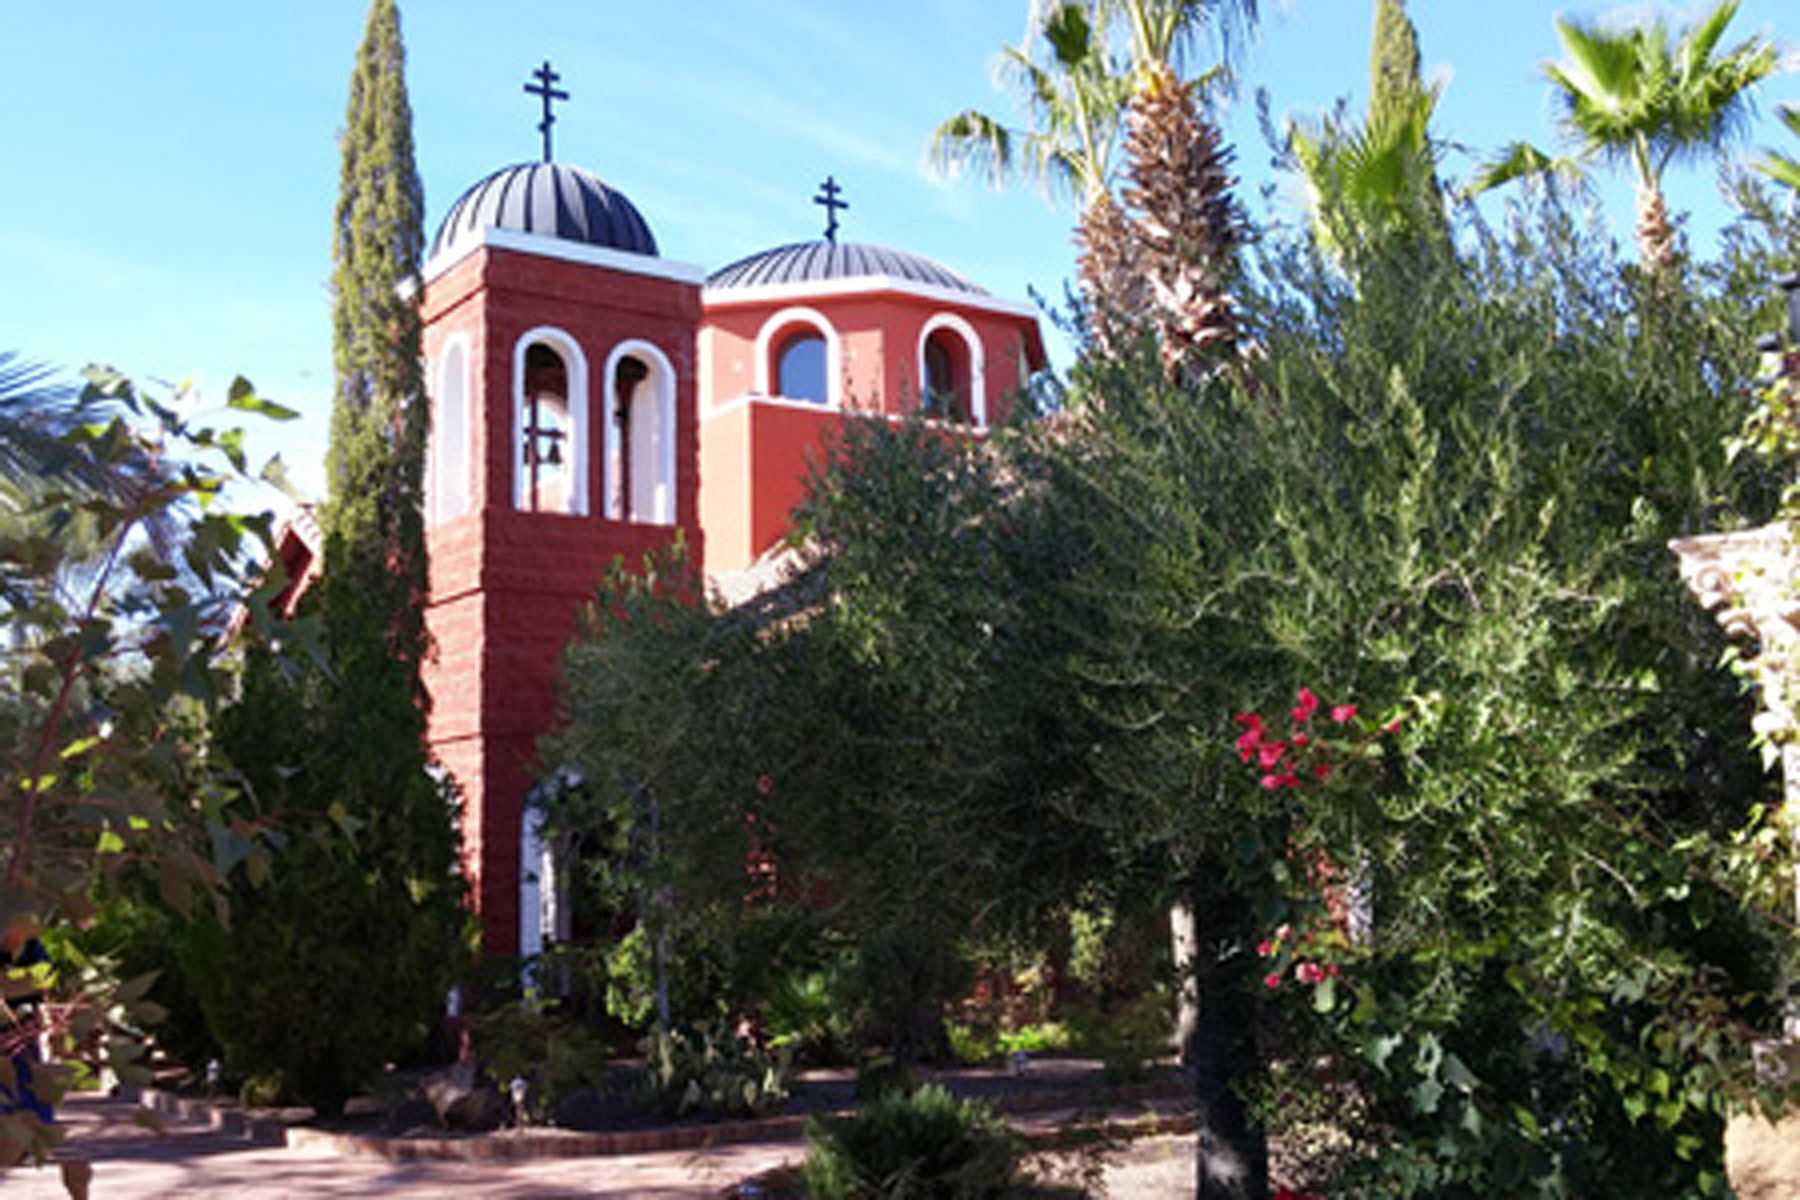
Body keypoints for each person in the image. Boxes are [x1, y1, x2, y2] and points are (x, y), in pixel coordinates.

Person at [1, 923, 53, 1128]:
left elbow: (44, 978)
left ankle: (34, 1130)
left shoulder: (30, 944)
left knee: (27, 1074)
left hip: (22, 1022)